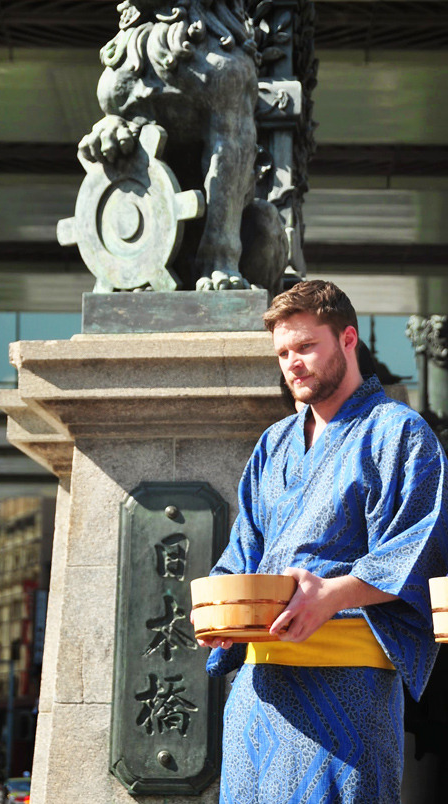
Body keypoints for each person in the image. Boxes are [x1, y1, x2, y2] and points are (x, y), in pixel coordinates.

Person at [199, 279, 448, 804]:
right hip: (258, 696)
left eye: (307, 346)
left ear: (348, 340)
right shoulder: (273, 444)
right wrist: (221, 610)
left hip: (348, 689)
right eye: (284, 352)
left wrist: (331, 595)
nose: (293, 363)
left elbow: (418, 551)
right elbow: (244, 549)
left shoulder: (399, 433)